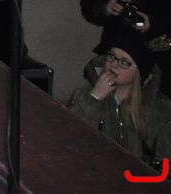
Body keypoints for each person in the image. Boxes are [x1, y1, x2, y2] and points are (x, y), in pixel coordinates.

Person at [67, 30, 171, 167]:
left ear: (139, 72)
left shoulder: (158, 107)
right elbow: (70, 136)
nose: (114, 64)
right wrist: (95, 99)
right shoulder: (87, 90)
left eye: (124, 62)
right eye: (111, 56)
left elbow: (165, 160)